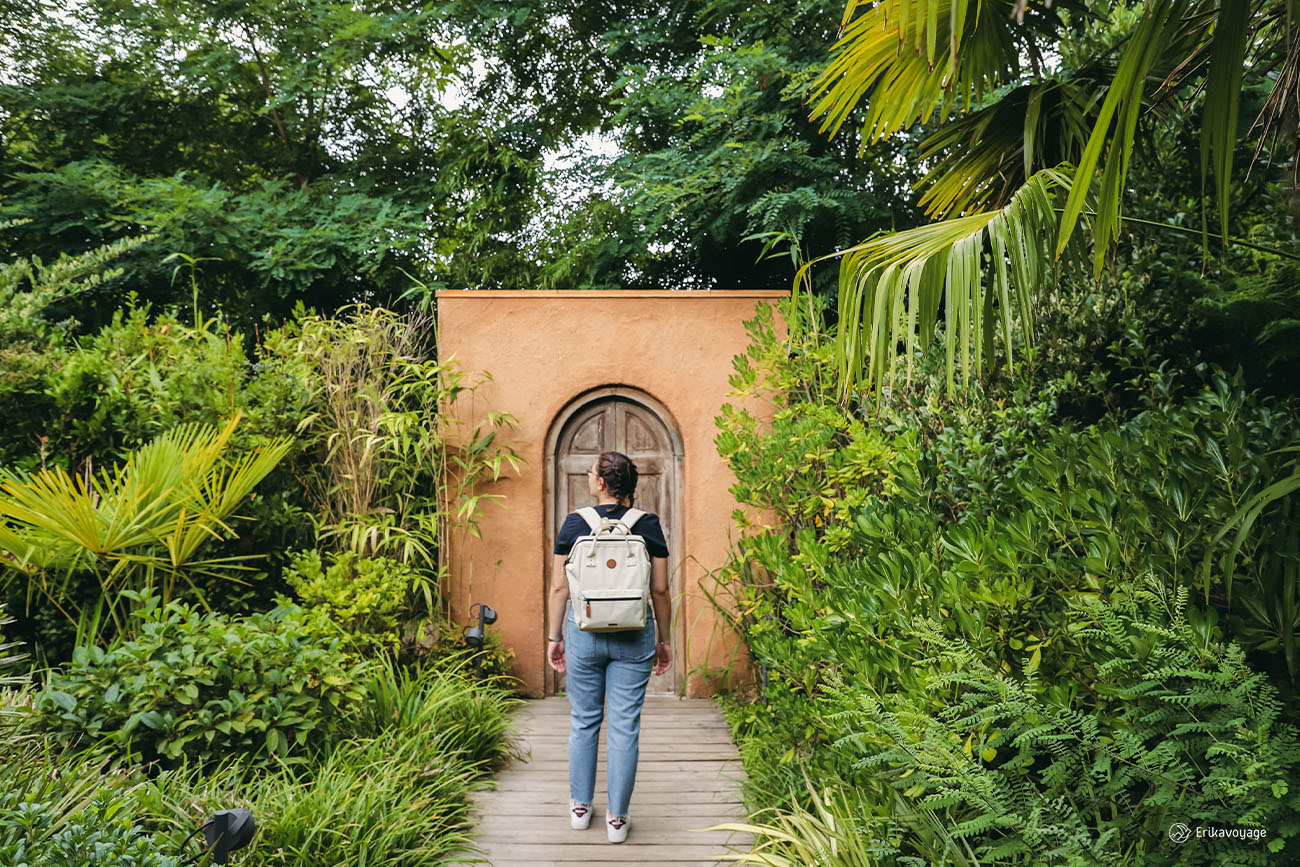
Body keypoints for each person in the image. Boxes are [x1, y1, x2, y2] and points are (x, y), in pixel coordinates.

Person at [546, 450, 673, 844]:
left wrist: (555, 638)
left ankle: (580, 809)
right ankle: (617, 821)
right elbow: (661, 589)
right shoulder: (648, 525)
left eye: (590, 472)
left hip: (583, 633)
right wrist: (664, 640)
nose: (587, 477)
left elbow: (558, 587)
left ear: (601, 483)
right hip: (635, 635)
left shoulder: (574, 524)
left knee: (584, 720)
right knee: (624, 727)